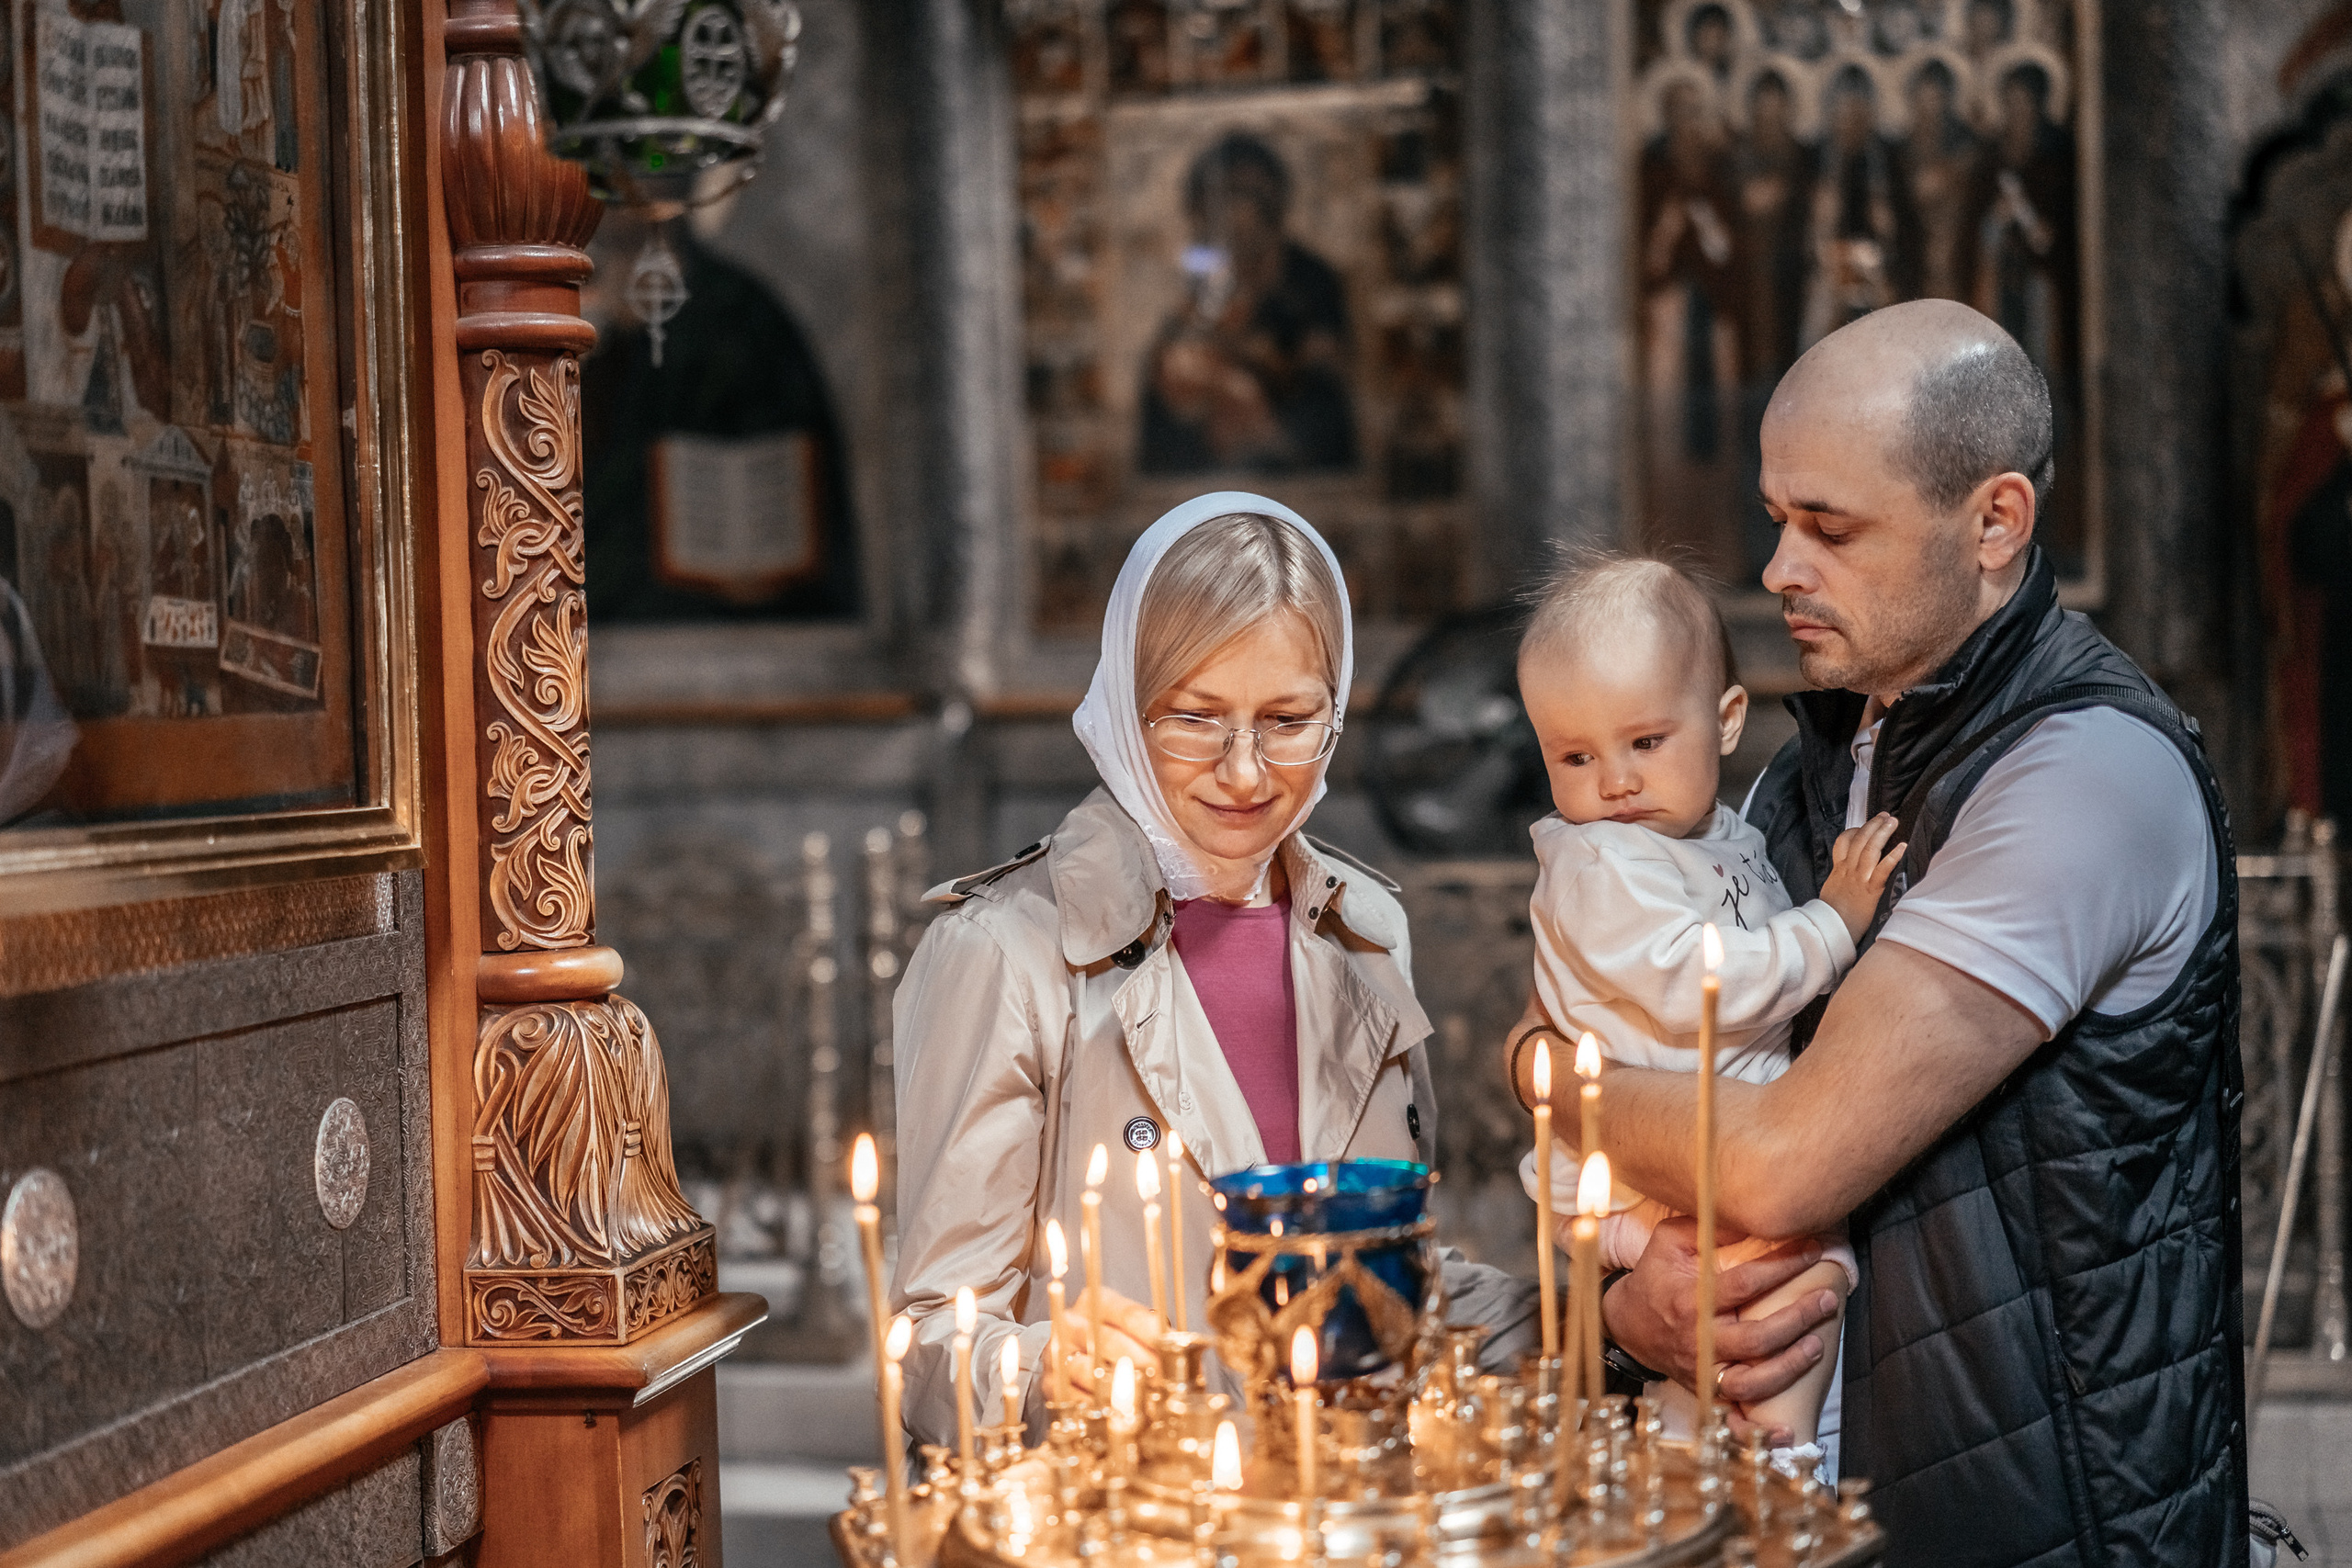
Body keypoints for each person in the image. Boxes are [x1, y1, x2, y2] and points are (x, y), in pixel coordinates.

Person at [1539, 300, 2243, 1564]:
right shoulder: (1796, 776)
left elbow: (1776, 1161)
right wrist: (1642, 1308)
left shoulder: (2086, 775)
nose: (1778, 567)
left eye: (1831, 527)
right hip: (1825, 1506)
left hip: (2041, 1518)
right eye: (1775, 517)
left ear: (1995, 521)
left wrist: (1540, 1076)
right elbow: (1695, 1101)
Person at [890, 492, 1539, 1447]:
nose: (1243, 773)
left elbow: (1382, 1280)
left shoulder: (1365, 928)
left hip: (1345, 1513)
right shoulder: (1002, 951)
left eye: (1285, 719)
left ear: (1338, 709)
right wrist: (1044, 1365)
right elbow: (931, 1342)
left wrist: (1591, 1319)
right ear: (1124, 701)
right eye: (1193, 718)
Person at [1510, 555, 1901, 1470]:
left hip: (1704, 1154)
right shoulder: (1598, 863)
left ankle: (1761, 1470)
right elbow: (1699, 984)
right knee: (1776, 1305)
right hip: (1654, 1176)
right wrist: (1833, 925)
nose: (1613, 782)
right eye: (1576, 756)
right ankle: (1779, 1471)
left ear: (1724, 721)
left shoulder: (1729, 836)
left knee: (1772, 1320)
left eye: (1644, 742)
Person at [1138, 137, 1356, 476]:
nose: (1238, 216)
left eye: (1250, 198)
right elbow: (1167, 404)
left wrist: (1268, 428)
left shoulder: (1311, 282)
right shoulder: (1200, 274)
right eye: (1220, 200)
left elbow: (1328, 397)